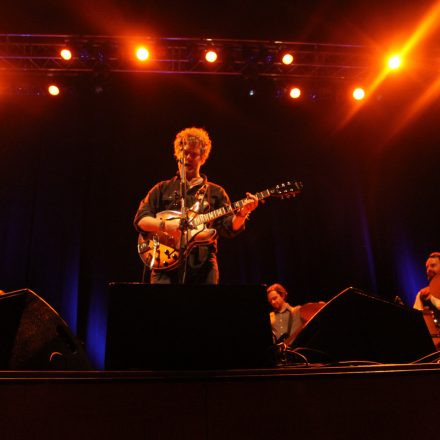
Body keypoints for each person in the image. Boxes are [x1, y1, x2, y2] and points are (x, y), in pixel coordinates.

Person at [134, 127, 258, 284]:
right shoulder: (161, 188)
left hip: (203, 266)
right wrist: (166, 225)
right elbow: (141, 220)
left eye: (193, 154)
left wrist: (242, 214)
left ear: (202, 158)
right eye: (184, 153)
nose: (188, 158)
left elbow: (227, 228)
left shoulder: (216, 192)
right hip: (164, 265)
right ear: (177, 155)